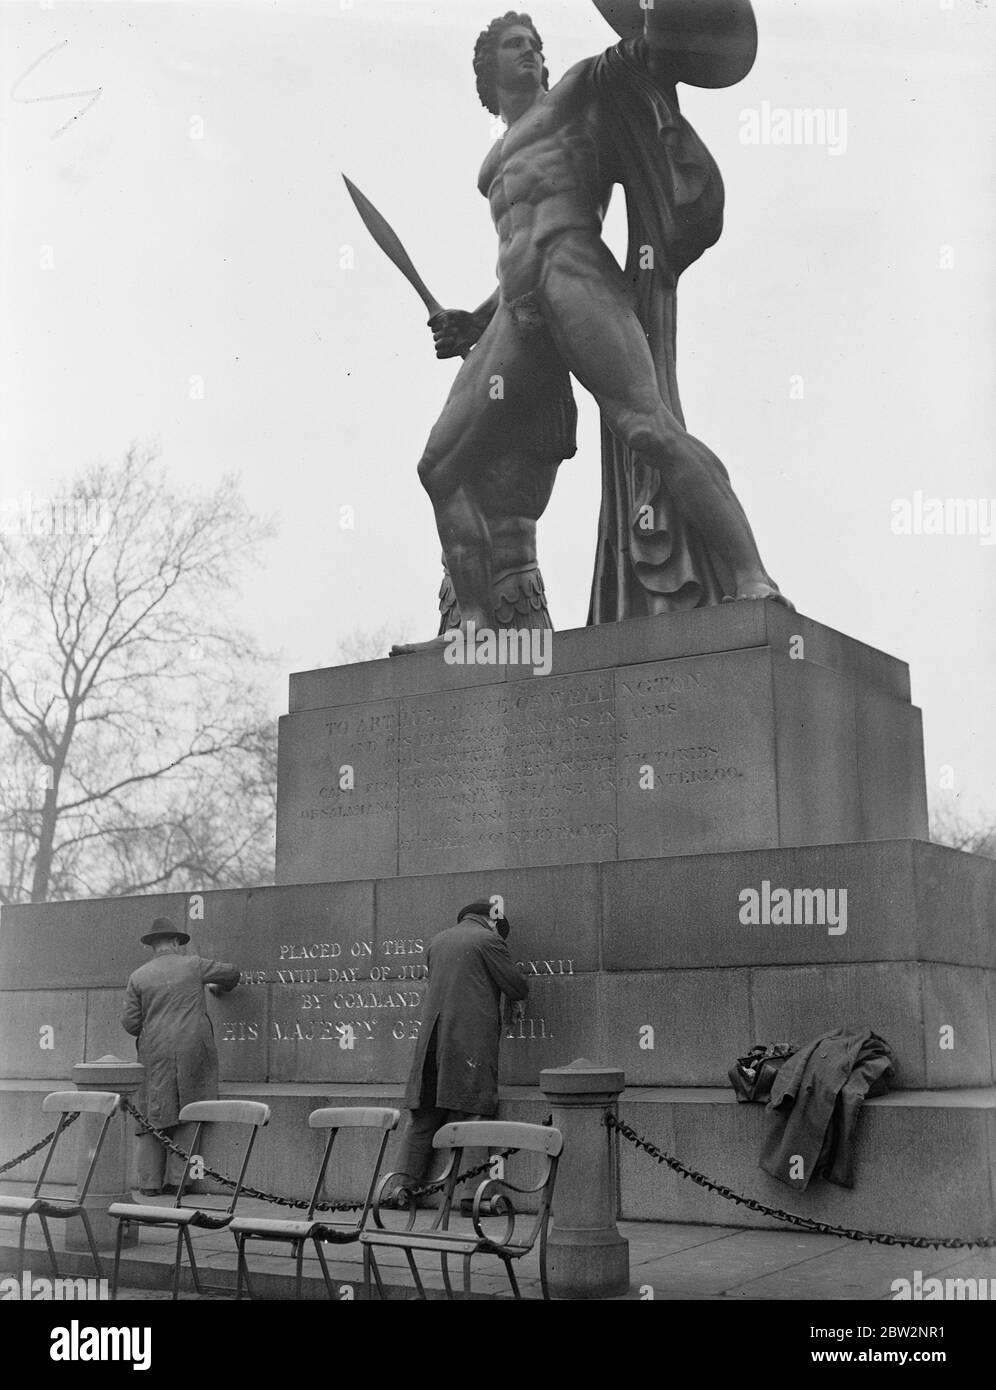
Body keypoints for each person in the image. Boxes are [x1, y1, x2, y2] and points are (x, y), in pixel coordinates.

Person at [392, 3, 789, 656]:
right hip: (516, 313)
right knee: (441, 468)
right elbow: (511, 249)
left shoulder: (574, 96)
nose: (531, 51)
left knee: (646, 426)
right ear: (486, 72)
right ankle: (476, 630)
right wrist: (476, 318)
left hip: (574, 273)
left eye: (536, 43)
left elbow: (644, 57)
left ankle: (754, 577)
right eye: (515, 45)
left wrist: (660, 19)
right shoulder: (490, 166)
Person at [395, 901, 529, 1187]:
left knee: (423, 1117)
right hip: (468, 1044)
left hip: (432, 1043)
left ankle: (399, 1189)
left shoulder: (437, 941)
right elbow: (516, 985)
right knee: (473, 1113)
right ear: (492, 921)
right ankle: (473, 1197)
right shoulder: (488, 940)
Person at [121, 918, 240, 1196]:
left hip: (153, 1051)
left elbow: (129, 1023)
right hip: (192, 1047)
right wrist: (218, 988)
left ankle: (149, 1183)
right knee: (190, 1108)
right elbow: (232, 973)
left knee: (152, 1111)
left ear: (153, 945)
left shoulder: (138, 976)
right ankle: (178, 1181)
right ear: (175, 942)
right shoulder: (194, 965)